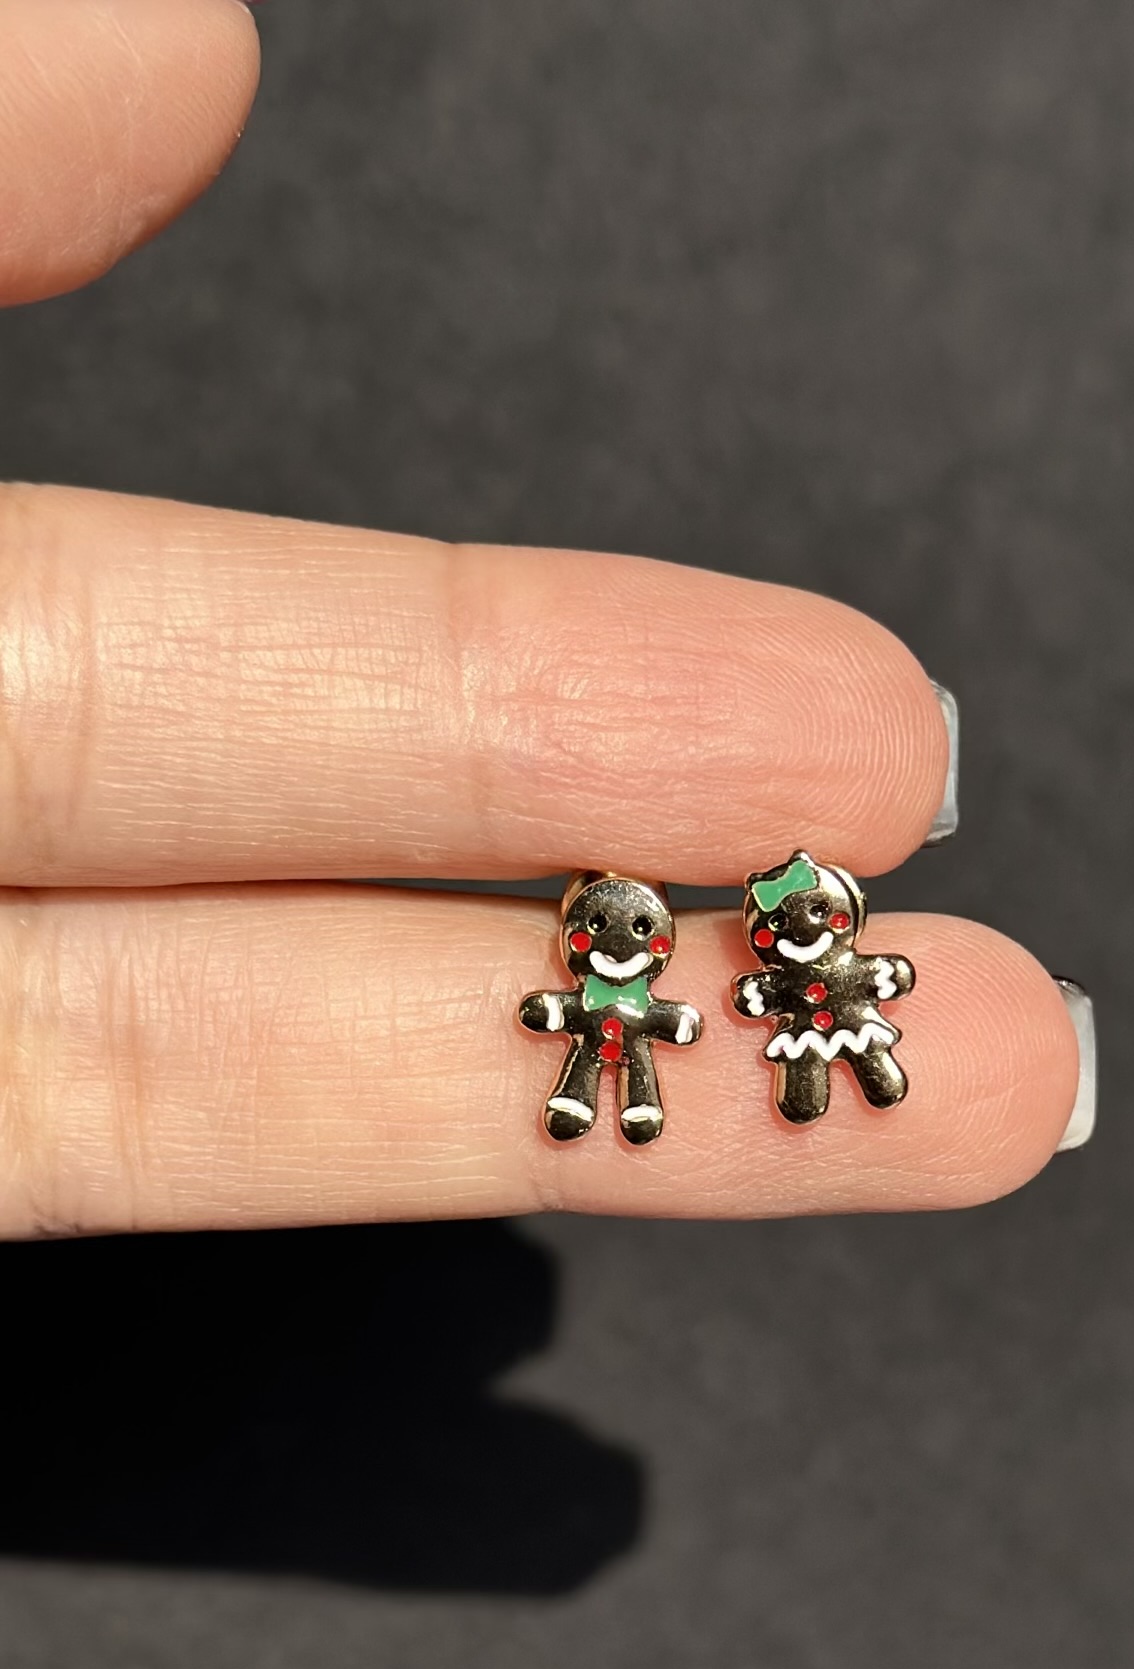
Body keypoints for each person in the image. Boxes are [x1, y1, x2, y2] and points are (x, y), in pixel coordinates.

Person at [0, 0, 1079, 1235]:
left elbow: (779, 987)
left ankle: (829, 1077)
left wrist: (793, 988)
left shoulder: (785, 953)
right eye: (611, 925)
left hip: (798, 1011)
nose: (622, 934)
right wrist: (635, 1008)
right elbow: (647, 1001)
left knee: (839, 1052)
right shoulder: (635, 960)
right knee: (655, 1067)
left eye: (805, 916)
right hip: (644, 1030)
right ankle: (662, 1090)